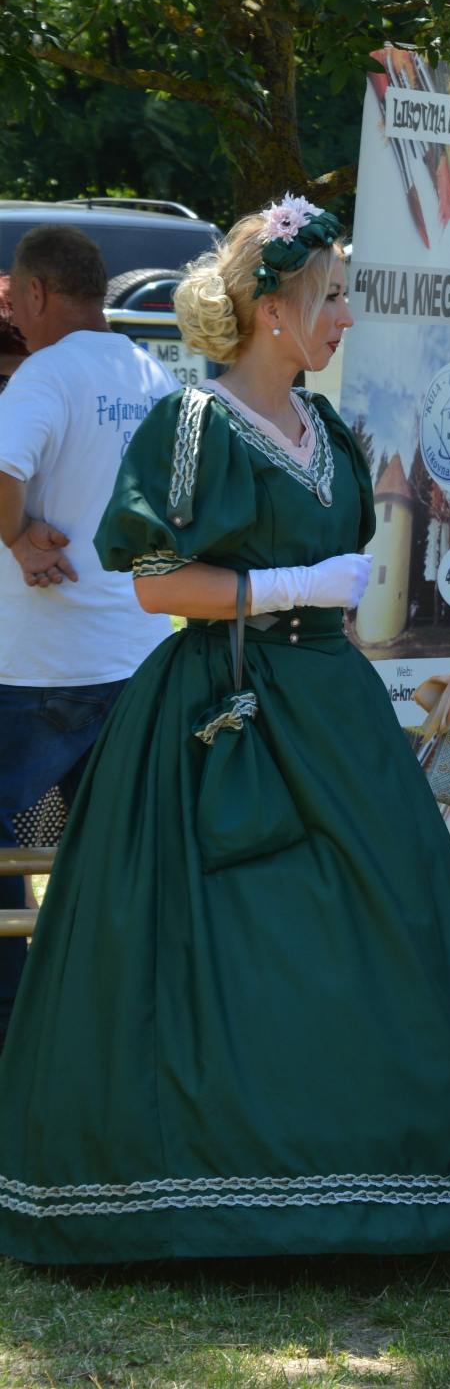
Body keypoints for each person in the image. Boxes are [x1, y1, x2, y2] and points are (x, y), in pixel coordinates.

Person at [0, 197, 450, 1264]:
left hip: (329, 701)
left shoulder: (325, 430)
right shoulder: (191, 425)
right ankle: (204, 1189)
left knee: (374, 918)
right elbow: (157, 584)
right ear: (271, 309)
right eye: (328, 296)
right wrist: (290, 583)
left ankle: (381, 1171)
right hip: (224, 701)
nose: (345, 315)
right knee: (227, 927)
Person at [0, 226, 176, 1057]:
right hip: (135, 660)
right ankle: (109, 1029)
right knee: (113, 857)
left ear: (37, 293)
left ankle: (14, 1024)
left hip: (32, 668)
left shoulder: (46, 373)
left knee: (15, 855)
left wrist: (18, 535)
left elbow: (3, 466)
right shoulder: (154, 376)